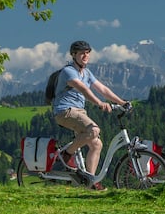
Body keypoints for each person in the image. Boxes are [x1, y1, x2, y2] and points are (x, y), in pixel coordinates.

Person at [51, 40, 130, 191]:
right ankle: (66, 156)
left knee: (97, 144)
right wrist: (100, 103)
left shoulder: (86, 73)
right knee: (94, 130)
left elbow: (103, 89)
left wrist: (122, 102)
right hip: (65, 111)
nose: (85, 55)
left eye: (87, 53)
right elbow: (84, 90)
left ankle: (90, 182)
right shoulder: (69, 71)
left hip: (79, 112)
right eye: (82, 53)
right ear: (73, 55)